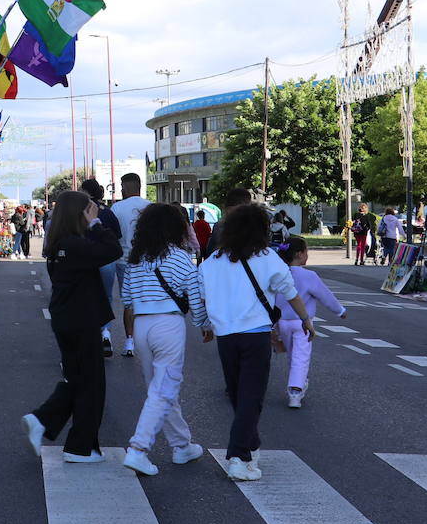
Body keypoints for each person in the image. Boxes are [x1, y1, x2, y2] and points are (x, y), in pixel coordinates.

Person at [201, 203, 314, 482]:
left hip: (225, 336)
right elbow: (291, 293)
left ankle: (250, 446)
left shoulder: (213, 260)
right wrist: (306, 320)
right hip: (255, 335)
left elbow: (203, 296)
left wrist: (205, 324)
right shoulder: (268, 258)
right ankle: (238, 456)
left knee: (239, 395)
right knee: (251, 397)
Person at [21, 190, 122, 463]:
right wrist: (96, 224)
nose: (95, 212)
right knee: (91, 385)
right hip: (82, 320)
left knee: (79, 380)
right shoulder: (76, 245)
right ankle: (80, 447)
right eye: (90, 209)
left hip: (67, 319)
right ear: (79, 214)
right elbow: (114, 249)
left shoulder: (59, 244)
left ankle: (43, 420)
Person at [119, 204, 211, 476]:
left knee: (159, 389)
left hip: (142, 325)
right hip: (168, 324)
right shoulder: (180, 258)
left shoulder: (136, 259)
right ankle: (138, 448)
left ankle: (182, 445)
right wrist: (203, 323)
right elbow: (194, 296)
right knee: (163, 388)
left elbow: (126, 299)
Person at [274, 236, 346, 408]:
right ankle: (295, 391)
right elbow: (325, 296)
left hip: (282, 322)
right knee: (301, 356)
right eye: (307, 252)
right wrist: (340, 310)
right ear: (299, 254)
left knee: (292, 354)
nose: (308, 255)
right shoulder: (309, 276)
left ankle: (296, 384)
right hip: (303, 323)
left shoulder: (279, 273)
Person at [108, 173, 151, 358]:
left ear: (124, 187)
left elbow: (112, 236)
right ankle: (147, 339)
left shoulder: (116, 208)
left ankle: (129, 341)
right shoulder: (150, 208)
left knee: (129, 302)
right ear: (140, 186)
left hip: (123, 261)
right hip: (147, 261)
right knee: (147, 299)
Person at [81, 178, 125, 357]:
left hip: (86, 260)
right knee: (106, 297)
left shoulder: (81, 210)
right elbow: (118, 235)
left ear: (85, 192)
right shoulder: (107, 212)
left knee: (85, 297)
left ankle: (89, 337)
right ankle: (105, 333)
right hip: (106, 261)